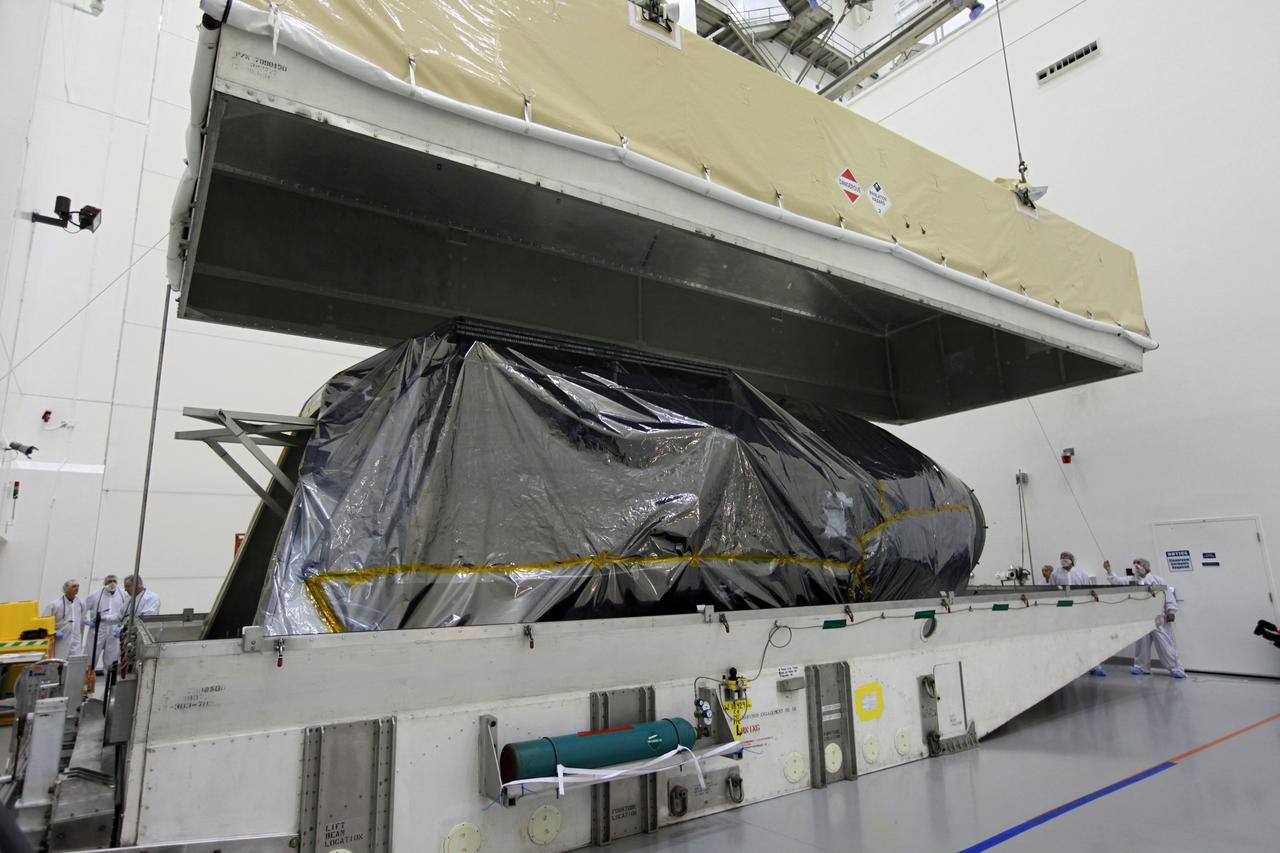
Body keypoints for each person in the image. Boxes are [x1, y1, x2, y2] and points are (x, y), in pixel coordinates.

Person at [1105, 558, 1185, 678]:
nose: (1137, 567)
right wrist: (1109, 570)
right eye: (1135, 565)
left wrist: (1171, 611)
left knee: (1165, 644)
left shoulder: (1158, 580)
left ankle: (1176, 668)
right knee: (1142, 644)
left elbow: (1168, 596)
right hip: (1141, 618)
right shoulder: (1132, 580)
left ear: (1147, 567)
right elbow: (1116, 581)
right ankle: (1141, 667)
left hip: (1158, 617)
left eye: (1139, 564)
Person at [84, 574, 130, 674]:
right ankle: (86, 682)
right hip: (97, 630)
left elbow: (128, 612)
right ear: (105, 583)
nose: (112, 583)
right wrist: (86, 621)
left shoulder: (124, 595)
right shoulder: (95, 595)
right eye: (109, 581)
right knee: (90, 657)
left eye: (114, 581)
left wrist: (121, 626)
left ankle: (109, 685)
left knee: (111, 659)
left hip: (114, 632)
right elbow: (82, 609)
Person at [45, 579, 86, 660]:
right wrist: (54, 632)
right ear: (66, 589)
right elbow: (45, 622)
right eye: (74, 586)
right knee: (59, 662)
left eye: (78, 586)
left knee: (74, 663)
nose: (77, 588)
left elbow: (82, 618)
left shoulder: (81, 603)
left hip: (75, 640)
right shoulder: (55, 604)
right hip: (60, 641)